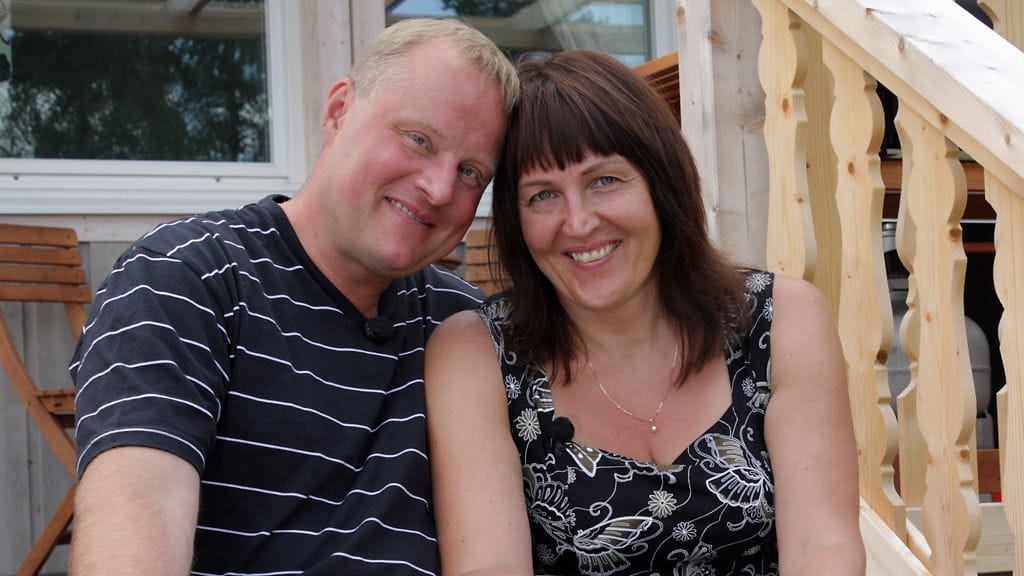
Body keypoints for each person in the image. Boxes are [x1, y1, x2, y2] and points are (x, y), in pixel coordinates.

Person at [68, 18, 518, 576]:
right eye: (418, 139)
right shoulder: (186, 277)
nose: (440, 187)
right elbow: (137, 509)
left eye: (471, 172)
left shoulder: (462, 326)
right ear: (339, 111)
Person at [425, 50, 865, 575]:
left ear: (661, 182)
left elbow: (823, 547)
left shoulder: (779, 318)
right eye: (542, 195)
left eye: (604, 181)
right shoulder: (477, 353)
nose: (579, 223)